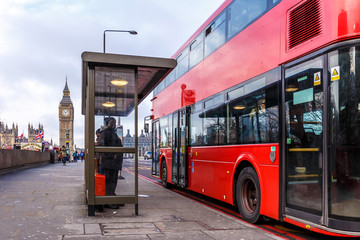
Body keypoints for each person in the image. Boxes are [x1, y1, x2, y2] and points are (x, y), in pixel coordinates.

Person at [99, 117, 124, 209]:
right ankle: (108, 200)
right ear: (108, 123)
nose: (114, 124)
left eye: (115, 122)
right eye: (112, 122)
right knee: (109, 181)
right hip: (109, 162)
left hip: (114, 163)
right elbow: (102, 146)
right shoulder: (105, 133)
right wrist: (112, 155)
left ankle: (112, 196)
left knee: (113, 181)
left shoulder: (113, 133)